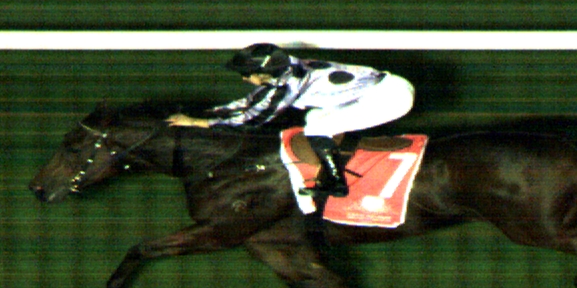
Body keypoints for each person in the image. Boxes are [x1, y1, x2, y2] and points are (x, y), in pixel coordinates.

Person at [169, 44, 415, 198]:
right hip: (385, 85)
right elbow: (250, 101)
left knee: (318, 128)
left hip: (390, 98)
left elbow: (251, 118)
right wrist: (205, 112)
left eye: (246, 74)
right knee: (313, 117)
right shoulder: (285, 67)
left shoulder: (287, 86)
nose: (244, 79)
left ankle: (335, 183)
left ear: (263, 74)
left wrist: (197, 123)